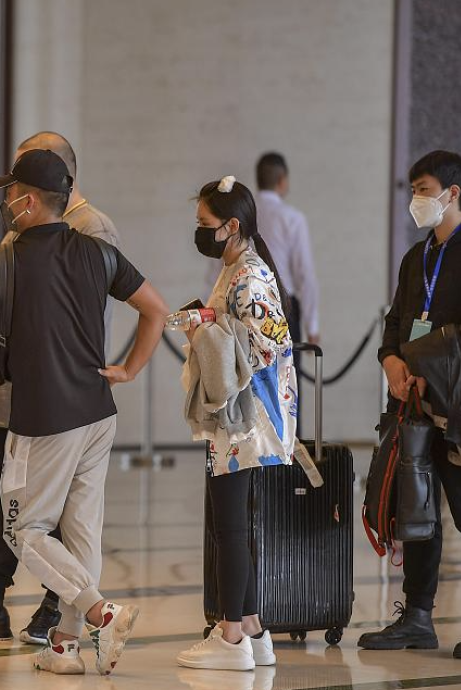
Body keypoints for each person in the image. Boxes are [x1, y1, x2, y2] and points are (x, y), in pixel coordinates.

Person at [0, 149, 171, 676]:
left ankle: (101, 613)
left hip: (43, 417)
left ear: (28, 201)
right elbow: (156, 309)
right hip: (97, 411)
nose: (6, 201)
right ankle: (65, 647)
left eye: (10, 192)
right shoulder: (98, 253)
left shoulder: (7, 258)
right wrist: (129, 369)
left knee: (23, 530)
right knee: (80, 533)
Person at [362, 150, 461, 659]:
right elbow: (395, 322)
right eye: (412, 190)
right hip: (413, 404)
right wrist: (392, 361)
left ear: (452, 193)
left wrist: (433, 366)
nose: (416, 199)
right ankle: (417, 616)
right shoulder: (418, 256)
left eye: (423, 189)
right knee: (417, 509)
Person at [0, 131, 120, 646]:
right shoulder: (19, 235)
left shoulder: (91, 229)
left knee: (41, 522)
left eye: (19, 181)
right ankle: (58, 629)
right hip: (22, 393)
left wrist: (125, 367)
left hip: (61, 398)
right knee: (6, 501)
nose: (11, 194)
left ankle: (75, 608)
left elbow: (81, 315)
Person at [174, 176, 296, 672]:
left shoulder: (248, 276)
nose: (200, 231)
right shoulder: (238, 269)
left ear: (231, 226)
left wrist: (206, 327)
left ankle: (229, 638)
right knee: (234, 524)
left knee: (228, 526)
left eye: (205, 223)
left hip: (244, 418)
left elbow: (267, 345)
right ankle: (251, 627)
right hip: (242, 416)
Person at [253, 153, 319, 346]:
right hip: (283, 306)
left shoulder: (243, 215)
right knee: (285, 364)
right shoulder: (292, 218)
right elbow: (304, 274)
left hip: (247, 305)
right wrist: (312, 326)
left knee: (249, 364)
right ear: (282, 180)